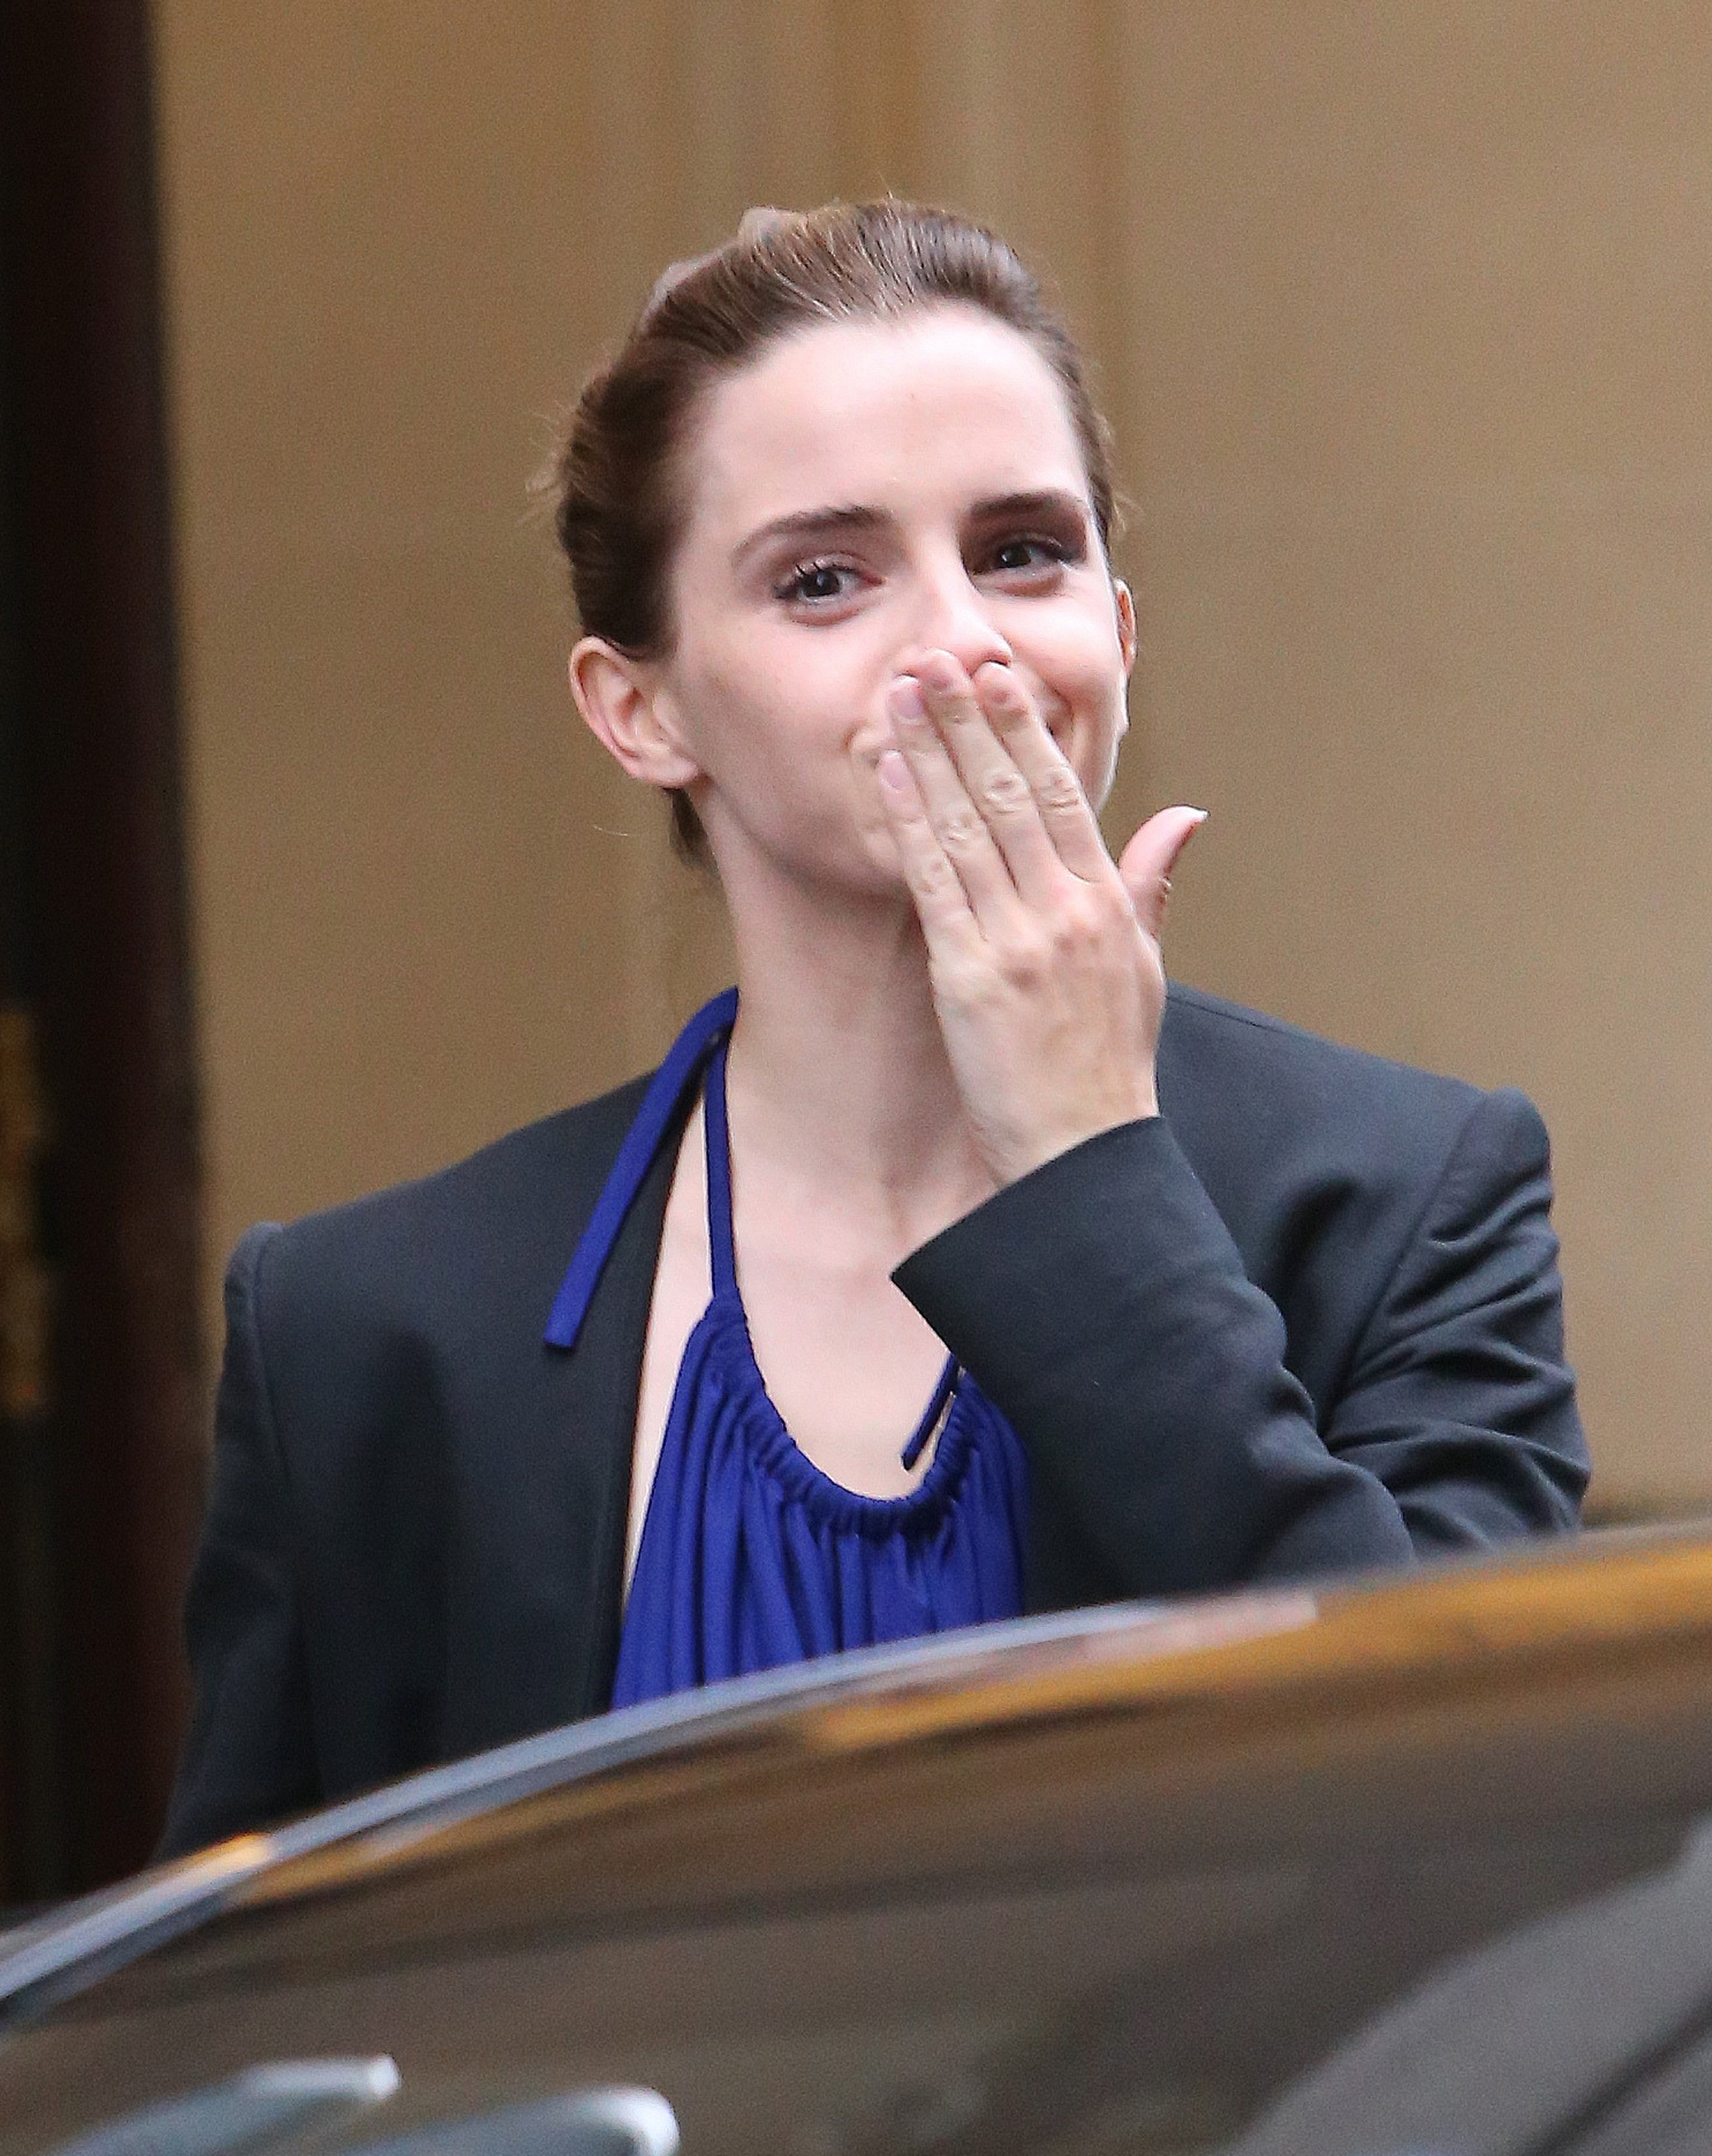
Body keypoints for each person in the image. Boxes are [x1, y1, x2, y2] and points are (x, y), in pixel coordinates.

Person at [159, 201, 1587, 1859]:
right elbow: (249, 1983)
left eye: (1023, 551)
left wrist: (1092, 1170)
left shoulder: (1413, 1202)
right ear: (641, 708)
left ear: (1120, 635)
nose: (963, 644)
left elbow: (1480, 1828)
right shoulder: (366, 1332)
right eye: (825, 579)